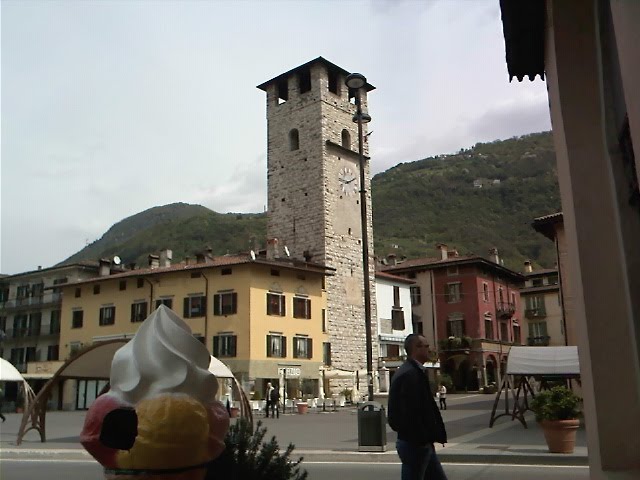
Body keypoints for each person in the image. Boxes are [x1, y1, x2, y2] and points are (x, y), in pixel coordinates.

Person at [388, 334, 448, 480]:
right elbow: (411, 412)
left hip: (419, 442)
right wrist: (422, 438)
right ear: (416, 348)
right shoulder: (411, 374)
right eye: (426, 346)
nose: (429, 349)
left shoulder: (412, 371)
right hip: (415, 444)